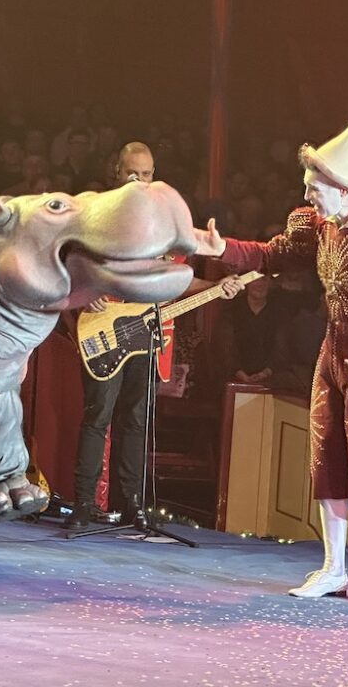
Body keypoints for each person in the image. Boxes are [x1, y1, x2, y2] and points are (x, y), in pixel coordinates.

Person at [194, 115, 348, 608]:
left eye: (313, 188)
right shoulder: (324, 228)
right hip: (335, 359)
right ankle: (334, 569)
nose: (307, 198)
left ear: (343, 190)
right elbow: (274, 254)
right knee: (327, 463)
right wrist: (224, 249)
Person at [64, 142, 242, 529]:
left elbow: (173, 279)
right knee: (98, 417)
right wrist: (82, 295)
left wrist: (215, 287)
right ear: (117, 172)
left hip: (147, 330)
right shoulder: (96, 213)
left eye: (147, 174)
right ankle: (82, 504)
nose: (141, 181)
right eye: (133, 173)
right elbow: (69, 264)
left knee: (135, 419)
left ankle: (131, 506)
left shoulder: (164, 222)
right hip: (106, 325)